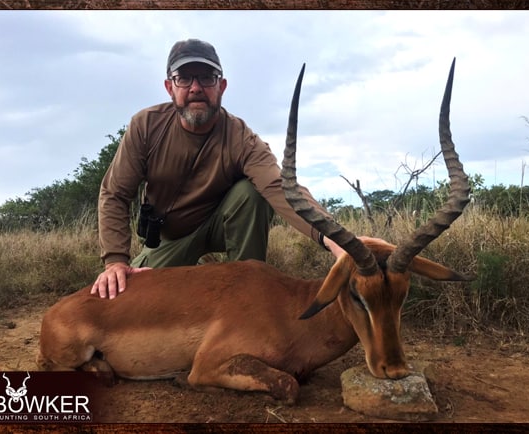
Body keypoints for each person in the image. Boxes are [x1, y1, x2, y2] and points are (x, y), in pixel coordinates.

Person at [92, 39, 343, 299]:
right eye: (184, 78)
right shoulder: (146, 126)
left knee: (251, 192)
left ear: (221, 86)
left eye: (207, 78)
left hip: (221, 228)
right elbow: (115, 194)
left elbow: (280, 188)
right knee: (130, 300)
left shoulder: (241, 138)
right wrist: (115, 261)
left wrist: (335, 240)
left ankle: (247, 294)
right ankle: (200, 268)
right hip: (172, 239)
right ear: (169, 87)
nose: (196, 88)